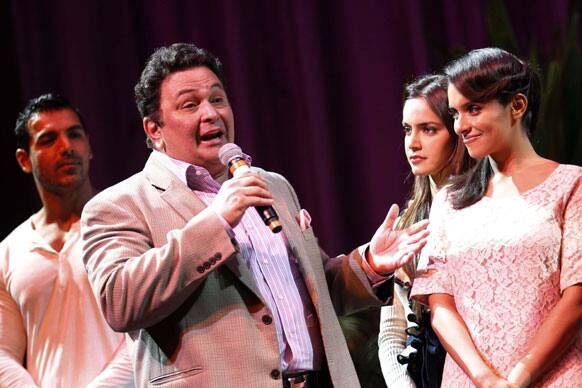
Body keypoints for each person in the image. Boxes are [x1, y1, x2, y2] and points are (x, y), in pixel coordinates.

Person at [80, 43, 429, 388]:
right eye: (190, 105)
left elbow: (317, 289)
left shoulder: (271, 185)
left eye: (217, 99)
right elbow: (119, 301)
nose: (212, 113)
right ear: (154, 129)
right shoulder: (120, 205)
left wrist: (368, 264)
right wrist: (216, 222)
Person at [411, 47, 581, 387]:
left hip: (555, 377)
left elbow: (576, 296)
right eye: (456, 113)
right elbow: (439, 303)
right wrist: (485, 378)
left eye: (473, 109)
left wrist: (518, 379)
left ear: (517, 106)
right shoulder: (450, 200)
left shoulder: (571, 183)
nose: (461, 125)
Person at [0, 94, 134, 387]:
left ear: (89, 148)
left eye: (74, 135)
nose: (66, 148)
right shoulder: (8, 251)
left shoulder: (127, 220)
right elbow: (3, 352)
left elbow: (147, 329)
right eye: (48, 140)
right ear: (25, 159)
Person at [378, 74, 473, 388]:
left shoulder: (484, 212)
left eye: (428, 129)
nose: (412, 143)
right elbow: (393, 334)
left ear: (457, 133)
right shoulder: (409, 223)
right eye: (407, 129)